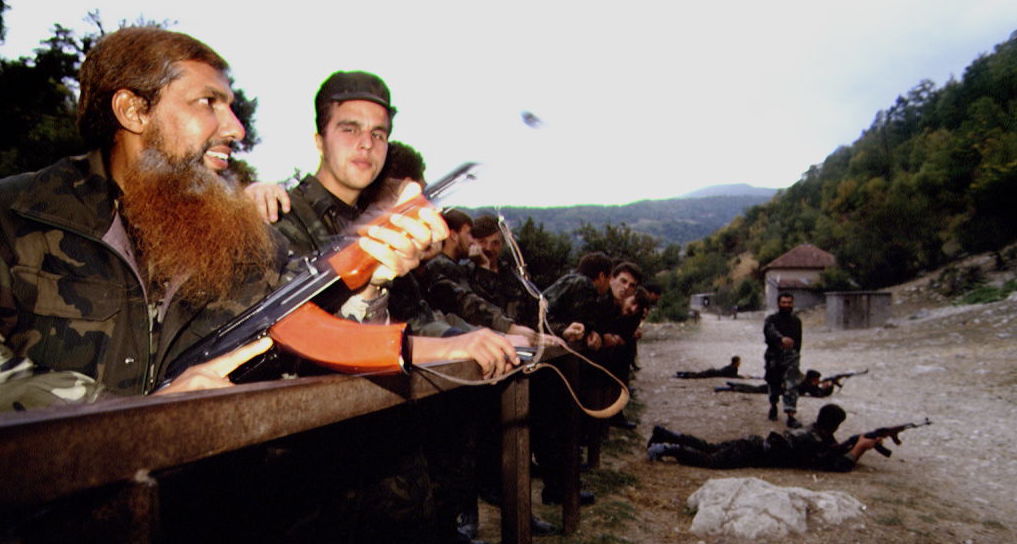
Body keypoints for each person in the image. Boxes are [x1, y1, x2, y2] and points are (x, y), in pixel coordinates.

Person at [0, 28, 454, 411]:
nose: (236, 128)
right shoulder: (18, 213)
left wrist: (372, 280)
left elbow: (310, 345)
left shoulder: (248, 240)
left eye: (231, 106)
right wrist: (124, 414)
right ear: (134, 111)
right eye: (208, 103)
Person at [646, 404, 885, 472]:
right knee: (711, 461)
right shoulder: (813, 442)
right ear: (833, 426)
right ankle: (667, 448)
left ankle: (668, 435)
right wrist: (860, 448)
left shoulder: (812, 430)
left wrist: (854, 441)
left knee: (710, 447)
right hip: (752, 452)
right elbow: (838, 464)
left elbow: (831, 447)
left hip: (753, 444)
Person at [764, 293, 804, 428]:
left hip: (791, 358)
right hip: (774, 357)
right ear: (778, 304)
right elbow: (769, 332)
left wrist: (796, 355)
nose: (786, 305)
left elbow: (798, 340)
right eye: (784, 302)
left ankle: (791, 415)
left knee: (792, 385)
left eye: (789, 303)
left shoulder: (796, 321)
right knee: (773, 383)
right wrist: (780, 339)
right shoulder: (771, 319)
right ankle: (773, 406)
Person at [714, 369, 835, 397]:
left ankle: (733, 386)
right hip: (778, 389)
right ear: (812, 379)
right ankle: (731, 388)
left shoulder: (804, 381)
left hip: (778, 386)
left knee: (757, 388)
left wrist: (823, 385)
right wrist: (829, 387)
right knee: (756, 390)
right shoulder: (807, 385)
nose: (818, 381)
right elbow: (819, 394)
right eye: (816, 379)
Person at [675, 355, 745, 379]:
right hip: (713, 373)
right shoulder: (733, 368)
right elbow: (733, 376)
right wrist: (743, 377)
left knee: (698, 375)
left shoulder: (731, 367)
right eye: (739, 361)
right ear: (736, 362)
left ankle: (682, 374)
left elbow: (733, 375)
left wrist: (743, 376)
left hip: (713, 372)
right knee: (697, 376)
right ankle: (682, 375)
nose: (740, 363)